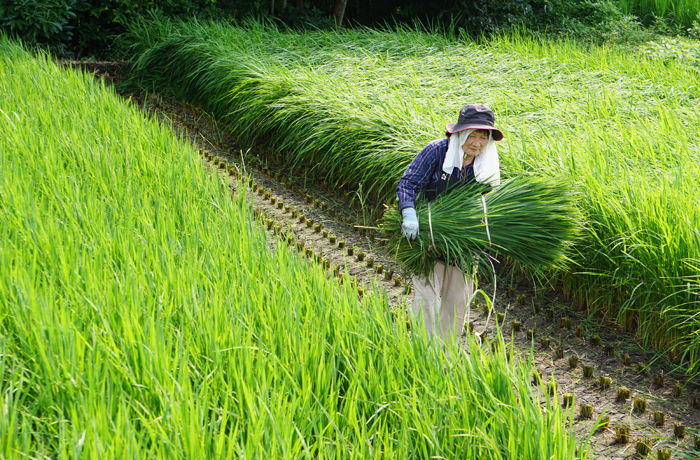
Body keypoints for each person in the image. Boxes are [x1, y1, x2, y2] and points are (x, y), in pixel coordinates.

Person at [396, 103, 504, 356]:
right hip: (429, 237)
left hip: (463, 245)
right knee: (428, 301)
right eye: (472, 135)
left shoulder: (486, 165)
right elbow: (408, 184)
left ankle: (443, 356)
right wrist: (409, 213)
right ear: (459, 134)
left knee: (456, 303)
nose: (477, 143)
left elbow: (491, 203)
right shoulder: (436, 152)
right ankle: (421, 353)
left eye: (483, 137)